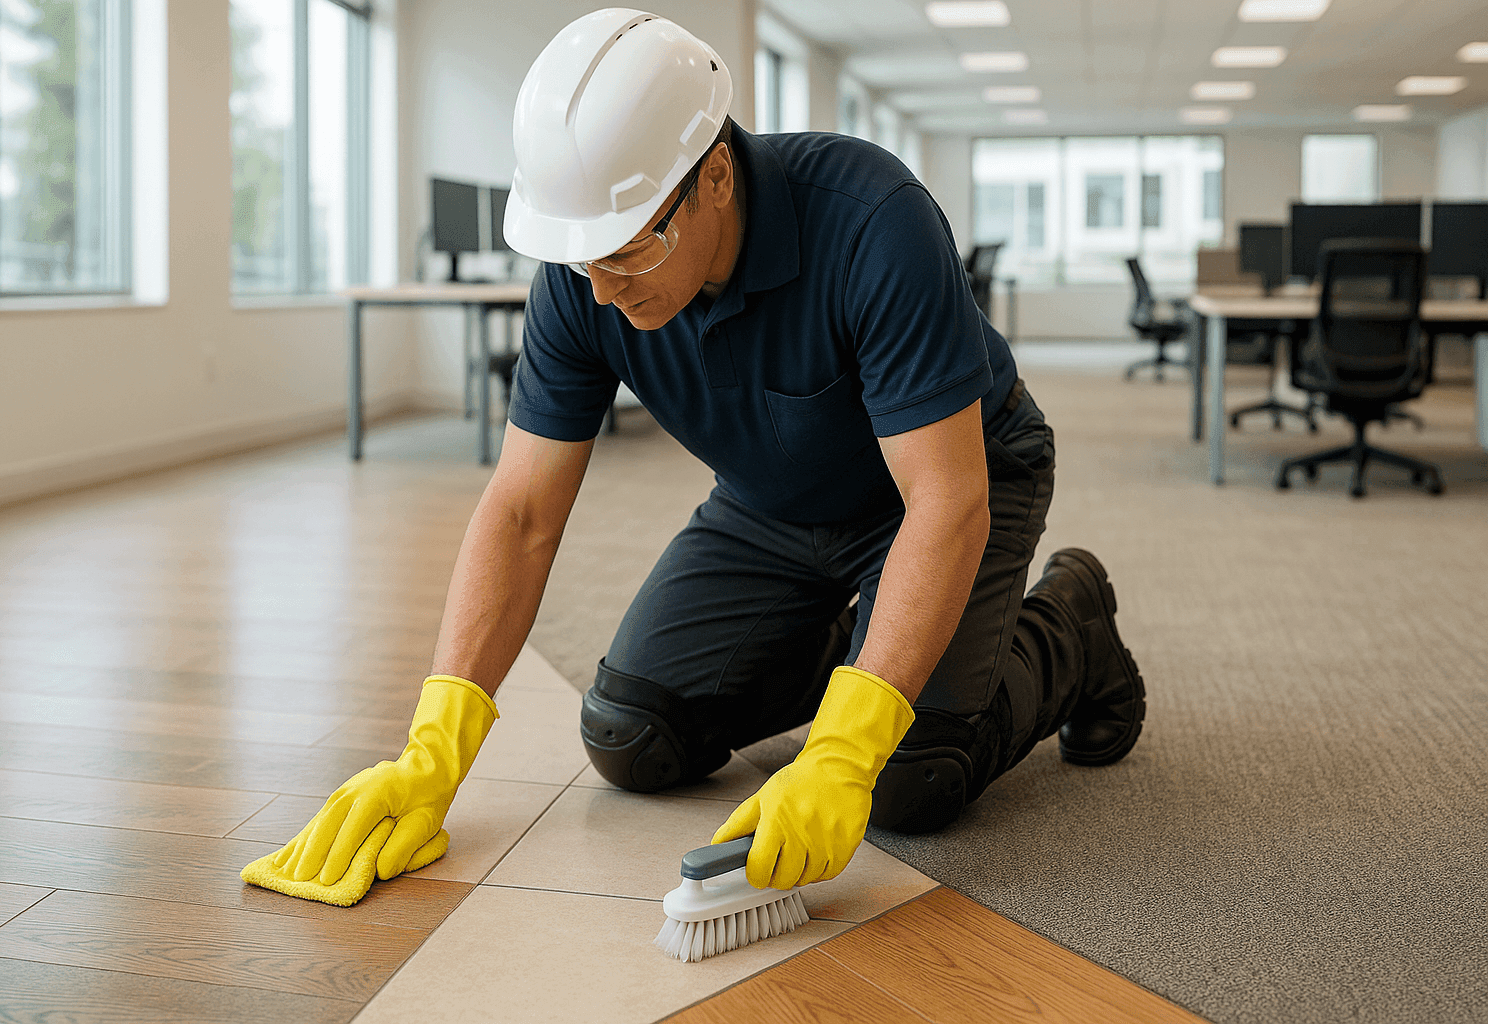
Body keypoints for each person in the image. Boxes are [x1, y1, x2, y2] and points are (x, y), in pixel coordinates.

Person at [259, 9, 1146, 899]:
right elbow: (523, 510)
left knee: (908, 776)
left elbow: (947, 503)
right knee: (631, 736)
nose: (601, 291)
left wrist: (842, 750)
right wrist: (432, 752)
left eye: (629, 247)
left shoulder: (873, 220)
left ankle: (1069, 624)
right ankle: (876, 644)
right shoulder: (585, 279)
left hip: (952, 481)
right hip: (773, 498)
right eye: (579, 263)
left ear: (715, 175)